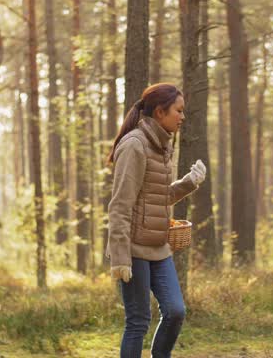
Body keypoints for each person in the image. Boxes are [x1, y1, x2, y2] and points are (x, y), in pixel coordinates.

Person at [106, 83, 206, 358]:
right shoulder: (134, 145)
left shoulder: (162, 146)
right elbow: (120, 206)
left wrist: (188, 183)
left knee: (175, 311)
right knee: (138, 321)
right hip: (134, 250)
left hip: (159, 248)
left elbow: (156, 198)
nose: (183, 117)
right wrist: (120, 258)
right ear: (160, 112)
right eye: (178, 110)